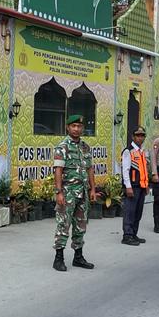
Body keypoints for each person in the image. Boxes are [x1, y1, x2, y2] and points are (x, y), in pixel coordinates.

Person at [52, 114, 96, 271]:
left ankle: (78, 257)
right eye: (74, 126)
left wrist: (93, 189)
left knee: (80, 225)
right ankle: (59, 258)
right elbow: (58, 170)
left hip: (83, 193)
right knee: (63, 224)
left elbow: (90, 168)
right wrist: (59, 192)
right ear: (68, 127)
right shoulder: (62, 147)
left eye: (79, 126)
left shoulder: (85, 147)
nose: (77, 129)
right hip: (67, 192)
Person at [120, 127, 150, 246]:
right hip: (132, 186)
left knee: (138, 212)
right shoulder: (128, 151)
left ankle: (133, 234)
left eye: (142, 135)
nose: (140, 138)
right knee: (130, 212)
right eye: (137, 135)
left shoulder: (142, 151)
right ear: (133, 137)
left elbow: (144, 170)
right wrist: (128, 187)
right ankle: (127, 236)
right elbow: (125, 170)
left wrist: (147, 185)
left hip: (141, 186)